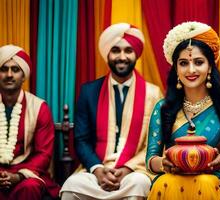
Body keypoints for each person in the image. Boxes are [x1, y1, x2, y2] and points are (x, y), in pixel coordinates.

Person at [146, 21, 220, 199]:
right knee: (165, 183)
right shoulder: (163, 108)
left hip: (213, 182)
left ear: (210, 66)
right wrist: (164, 164)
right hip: (171, 180)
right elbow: (150, 160)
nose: (191, 70)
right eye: (183, 63)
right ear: (175, 68)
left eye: (198, 62)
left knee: (204, 183)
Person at [60, 23, 162, 200]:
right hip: (96, 170)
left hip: (135, 171)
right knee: (71, 186)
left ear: (136, 54)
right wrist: (98, 170)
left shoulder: (153, 94)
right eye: (116, 50)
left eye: (128, 51)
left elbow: (155, 143)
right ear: (107, 53)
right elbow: (81, 140)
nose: (122, 57)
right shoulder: (89, 91)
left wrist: (127, 168)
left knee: (140, 184)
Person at [0, 45, 60, 199]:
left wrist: (18, 176)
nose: (9, 74)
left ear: (23, 76)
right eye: (4, 69)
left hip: (27, 172)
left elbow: (44, 154)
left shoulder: (39, 107)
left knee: (30, 187)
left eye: (15, 69)